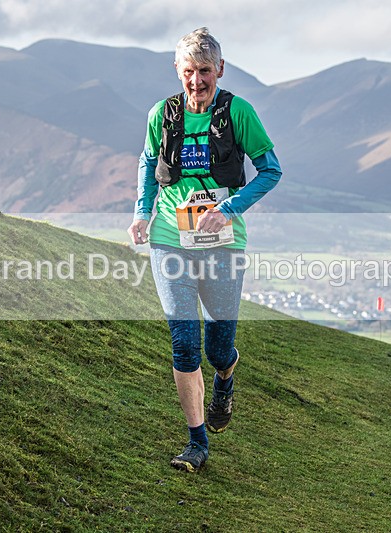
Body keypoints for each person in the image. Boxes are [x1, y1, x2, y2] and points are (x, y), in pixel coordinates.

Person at [127, 27, 282, 472]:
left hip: (222, 245)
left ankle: (226, 379)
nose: (197, 81)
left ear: (220, 70)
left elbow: (271, 170)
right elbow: (147, 160)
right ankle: (197, 443)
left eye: (205, 72)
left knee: (218, 348)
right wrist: (142, 212)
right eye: (189, 71)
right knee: (183, 344)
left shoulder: (239, 113)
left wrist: (229, 208)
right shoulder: (164, 114)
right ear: (178, 71)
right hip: (170, 239)